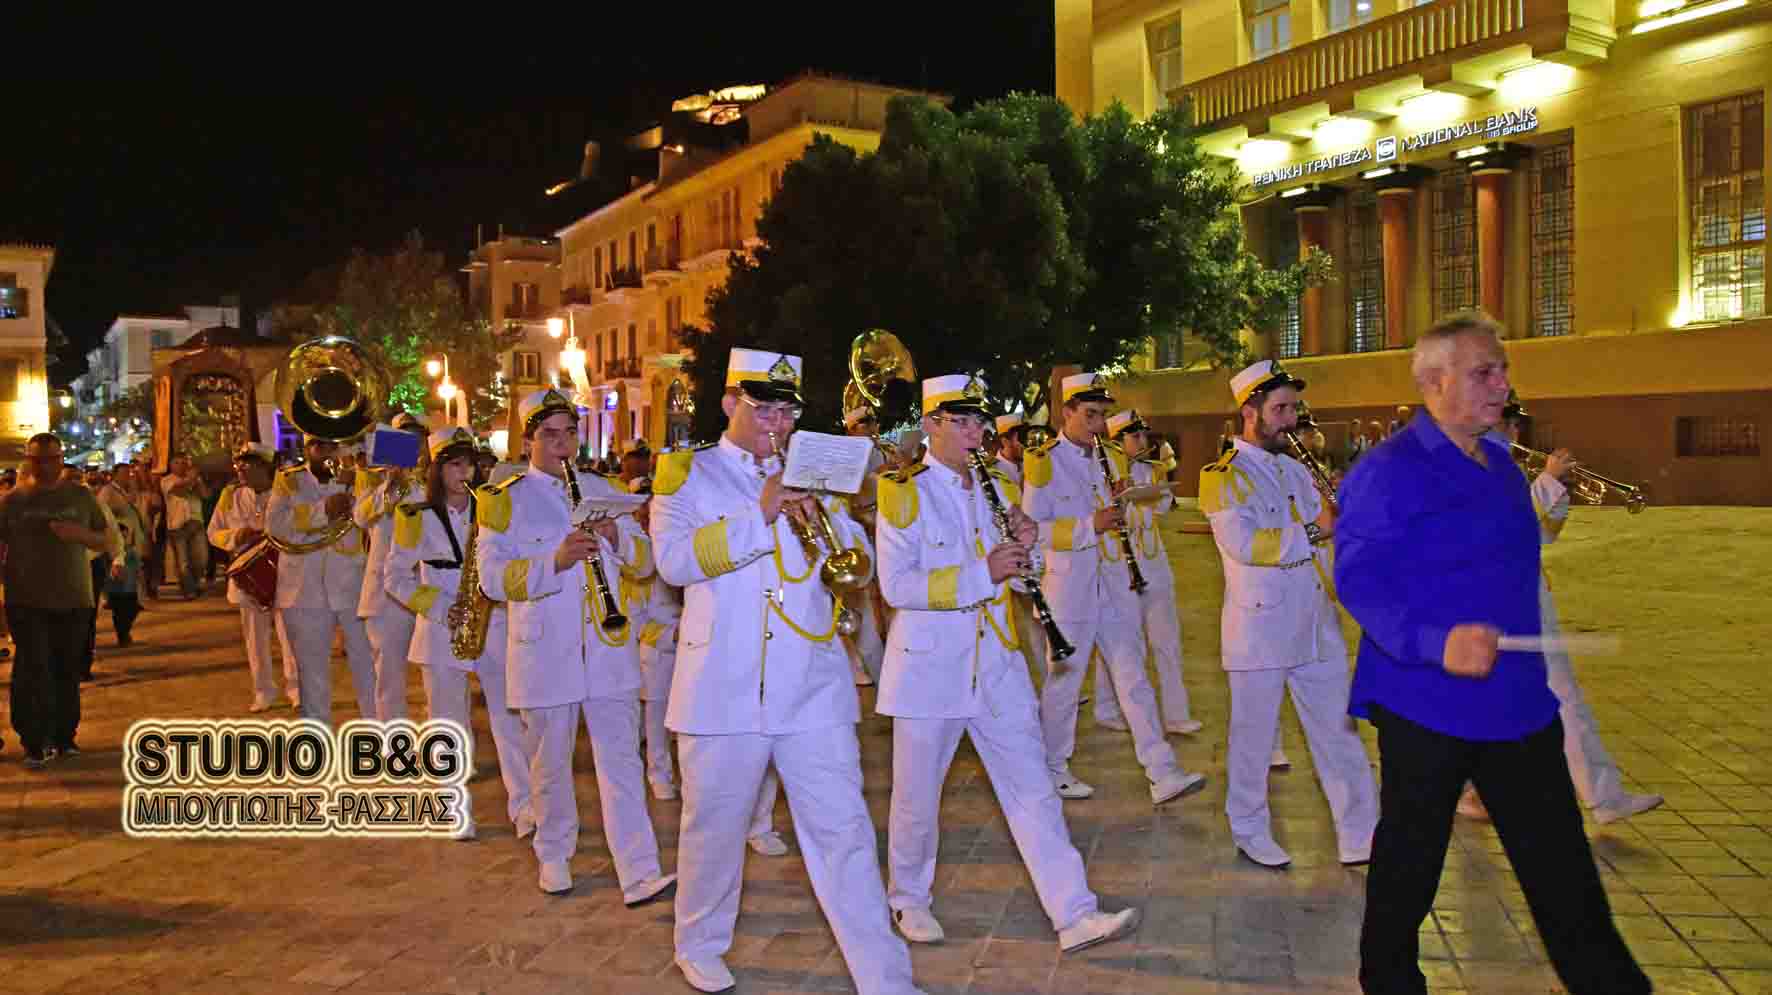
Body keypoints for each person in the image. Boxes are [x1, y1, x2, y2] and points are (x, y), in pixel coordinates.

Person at [1336, 312, 1647, 995]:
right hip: (1426, 703)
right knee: (1411, 861)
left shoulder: (1502, 465)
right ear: (1434, 383)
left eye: (1502, 370)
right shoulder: (1386, 472)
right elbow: (1359, 579)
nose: (1502, 384)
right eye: (1484, 372)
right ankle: (1388, 981)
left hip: (1518, 705)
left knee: (1564, 875)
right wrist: (1435, 640)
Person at [650, 349, 922, 994]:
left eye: (786, 411)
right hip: (721, 687)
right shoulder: (687, 474)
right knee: (713, 831)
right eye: (763, 408)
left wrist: (836, 530)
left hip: (812, 685)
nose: (777, 422)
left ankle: (885, 979)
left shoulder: (814, 473)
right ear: (729, 404)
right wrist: (763, 512)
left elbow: (854, 562)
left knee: (845, 833)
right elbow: (674, 562)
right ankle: (699, 942)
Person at [876, 372, 1141, 953]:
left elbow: (1019, 577)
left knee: (1033, 789)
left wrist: (1028, 551)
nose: (977, 433)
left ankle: (1074, 913)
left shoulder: (998, 482)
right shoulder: (902, 492)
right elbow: (898, 586)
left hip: (997, 661)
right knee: (917, 797)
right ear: (931, 425)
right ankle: (908, 898)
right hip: (928, 668)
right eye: (962, 422)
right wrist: (984, 572)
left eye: (979, 421)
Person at [476, 388, 676, 902]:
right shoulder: (505, 500)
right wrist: (555, 560)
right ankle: (554, 854)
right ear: (529, 440)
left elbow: (645, 563)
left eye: (569, 433)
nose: (562, 444)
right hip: (544, 651)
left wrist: (617, 537)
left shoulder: (605, 490)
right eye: (550, 435)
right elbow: (492, 580)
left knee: (622, 762)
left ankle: (639, 870)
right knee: (549, 765)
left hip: (609, 646)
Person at [1198, 362, 1379, 868]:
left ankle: (1362, 836)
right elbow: (1245, 545)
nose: (1291, 420)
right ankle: (1249, 829)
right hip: (1260, 626)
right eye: (1280, 409)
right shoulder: (1222, 477)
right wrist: (1319, 528)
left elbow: (1325, 538)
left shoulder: (1298, 469)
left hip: (1315, 621)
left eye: (1294, 408)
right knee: (1252, 739)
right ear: (1249, 412)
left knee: (1340, 733)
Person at [1456, 399, 1663, 825]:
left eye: (1515, 424)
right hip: (1502, 601)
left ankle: (1475, 789)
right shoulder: (1471, 464)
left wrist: (1558, 491)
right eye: (1508, 422)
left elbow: (1542, 535)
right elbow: (1506, 528)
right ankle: (1602, 797)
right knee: (1559, 700)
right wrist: (1548, 481)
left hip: (1521, 597)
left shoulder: (1504, 466)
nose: (1515, 433)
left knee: (1513, 701)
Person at [1020, 372, 1205, 804]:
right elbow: (1032, 530)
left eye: (1102, 415)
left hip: (1115, 582)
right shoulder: (1044, 463)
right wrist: (1091, 525)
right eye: (1090, 414)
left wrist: (1122, 498)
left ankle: (1162, 771)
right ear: (1067, 413)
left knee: (1133, 675)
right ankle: (1053, 767)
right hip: (1070, 588)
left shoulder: (1111, 457)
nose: (1099, 424)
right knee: (1064, 682)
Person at [385, 427, 535, 841]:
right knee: (448, 723)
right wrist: (437, 607)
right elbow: (394, 577)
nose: (464, 471)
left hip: (492, 623)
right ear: (437, 470)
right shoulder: (415, 515)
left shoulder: (490, 509)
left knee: (509, 720)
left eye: (469, 463)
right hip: (441, 628)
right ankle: (453, 809)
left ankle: (524, 808)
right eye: (454, 464)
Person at [1, 435, 113, 767]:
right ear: (28, 460)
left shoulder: (80, 496)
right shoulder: (12, 501)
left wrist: (79, 535)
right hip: (25, 599)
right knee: (32, 668)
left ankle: (65, 737)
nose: (46, 466)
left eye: (52, 458)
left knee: (67, 669)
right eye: (38, 459)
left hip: (73, 596)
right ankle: (34, 741)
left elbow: (105, 539)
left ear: (61, 459)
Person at [1091, 409, 1201, 738]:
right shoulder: (1099, 470)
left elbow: (1163, 506)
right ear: (1117, 440)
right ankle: (1107, 708)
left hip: (1154, 562)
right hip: (1118, 564)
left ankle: (1176, 714)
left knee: (1168, 640)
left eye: (1142, 435)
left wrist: (1150, 487)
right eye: (1134, 435)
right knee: (1122, 643)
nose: (1142, 441)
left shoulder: (1151, 469)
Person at [264, 436, 377, 725]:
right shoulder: (288, 480)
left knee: (369, 668)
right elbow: (275, 527)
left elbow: (380, 512)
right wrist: (322, 510)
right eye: (319, 445)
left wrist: (361, 478)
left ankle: (379, 735)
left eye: (333, 445)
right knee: (311, 674)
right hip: (303, 590)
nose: (327, 452)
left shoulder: (360, 477)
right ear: (307, 449)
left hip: (353, 585)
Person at [353, 412, 430, 721]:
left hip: (428, 589)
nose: (412, 444)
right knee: (389, 676)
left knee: (437, 675)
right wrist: (392, 487)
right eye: (404, 438)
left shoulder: (435, 484)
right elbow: (360, 517)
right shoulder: (376, 487)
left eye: (417, 438)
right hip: (386, 595)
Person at [209, 444, 296, 712]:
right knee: (255, 639)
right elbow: (213, 532)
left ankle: (296, 689)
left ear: (264, 467)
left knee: (290, 636)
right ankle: (263, 691)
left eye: (247, 465)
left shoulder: (286, 491)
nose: (241, 470)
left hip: (283, 572)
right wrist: (235, 536)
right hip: (248, 577)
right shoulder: (231, 495)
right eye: (239, 464)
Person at [160, 452, 213, 599]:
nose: (181, 466)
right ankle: (189, 590)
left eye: (183, 463)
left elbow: (206, 495)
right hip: (177, 526)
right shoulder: (166, 480)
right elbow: (178, 491)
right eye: (177, 463)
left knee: (202, 559)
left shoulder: (196, 479)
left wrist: (198, 481)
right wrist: (191, 479)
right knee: (183, 562)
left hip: (196, 523)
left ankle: (194, 583)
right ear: (171, 465)